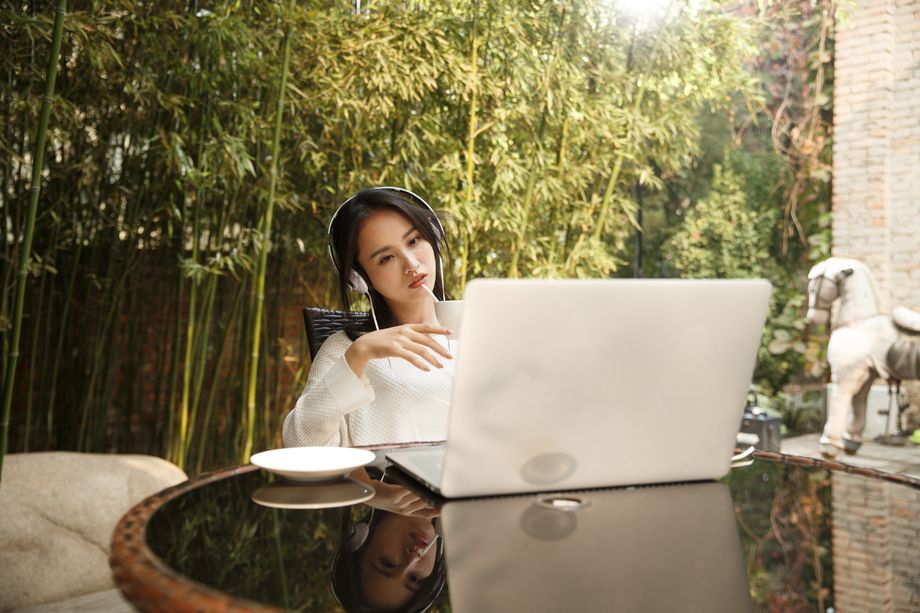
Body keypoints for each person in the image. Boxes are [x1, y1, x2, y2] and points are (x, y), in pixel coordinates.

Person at [282, 188, 456, 448]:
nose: (411, 264)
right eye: (386, 258)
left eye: (413, 241)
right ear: (359, 279)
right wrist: (357, 355)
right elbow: (300, 448)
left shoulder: (484, 335)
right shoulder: (344, 351)